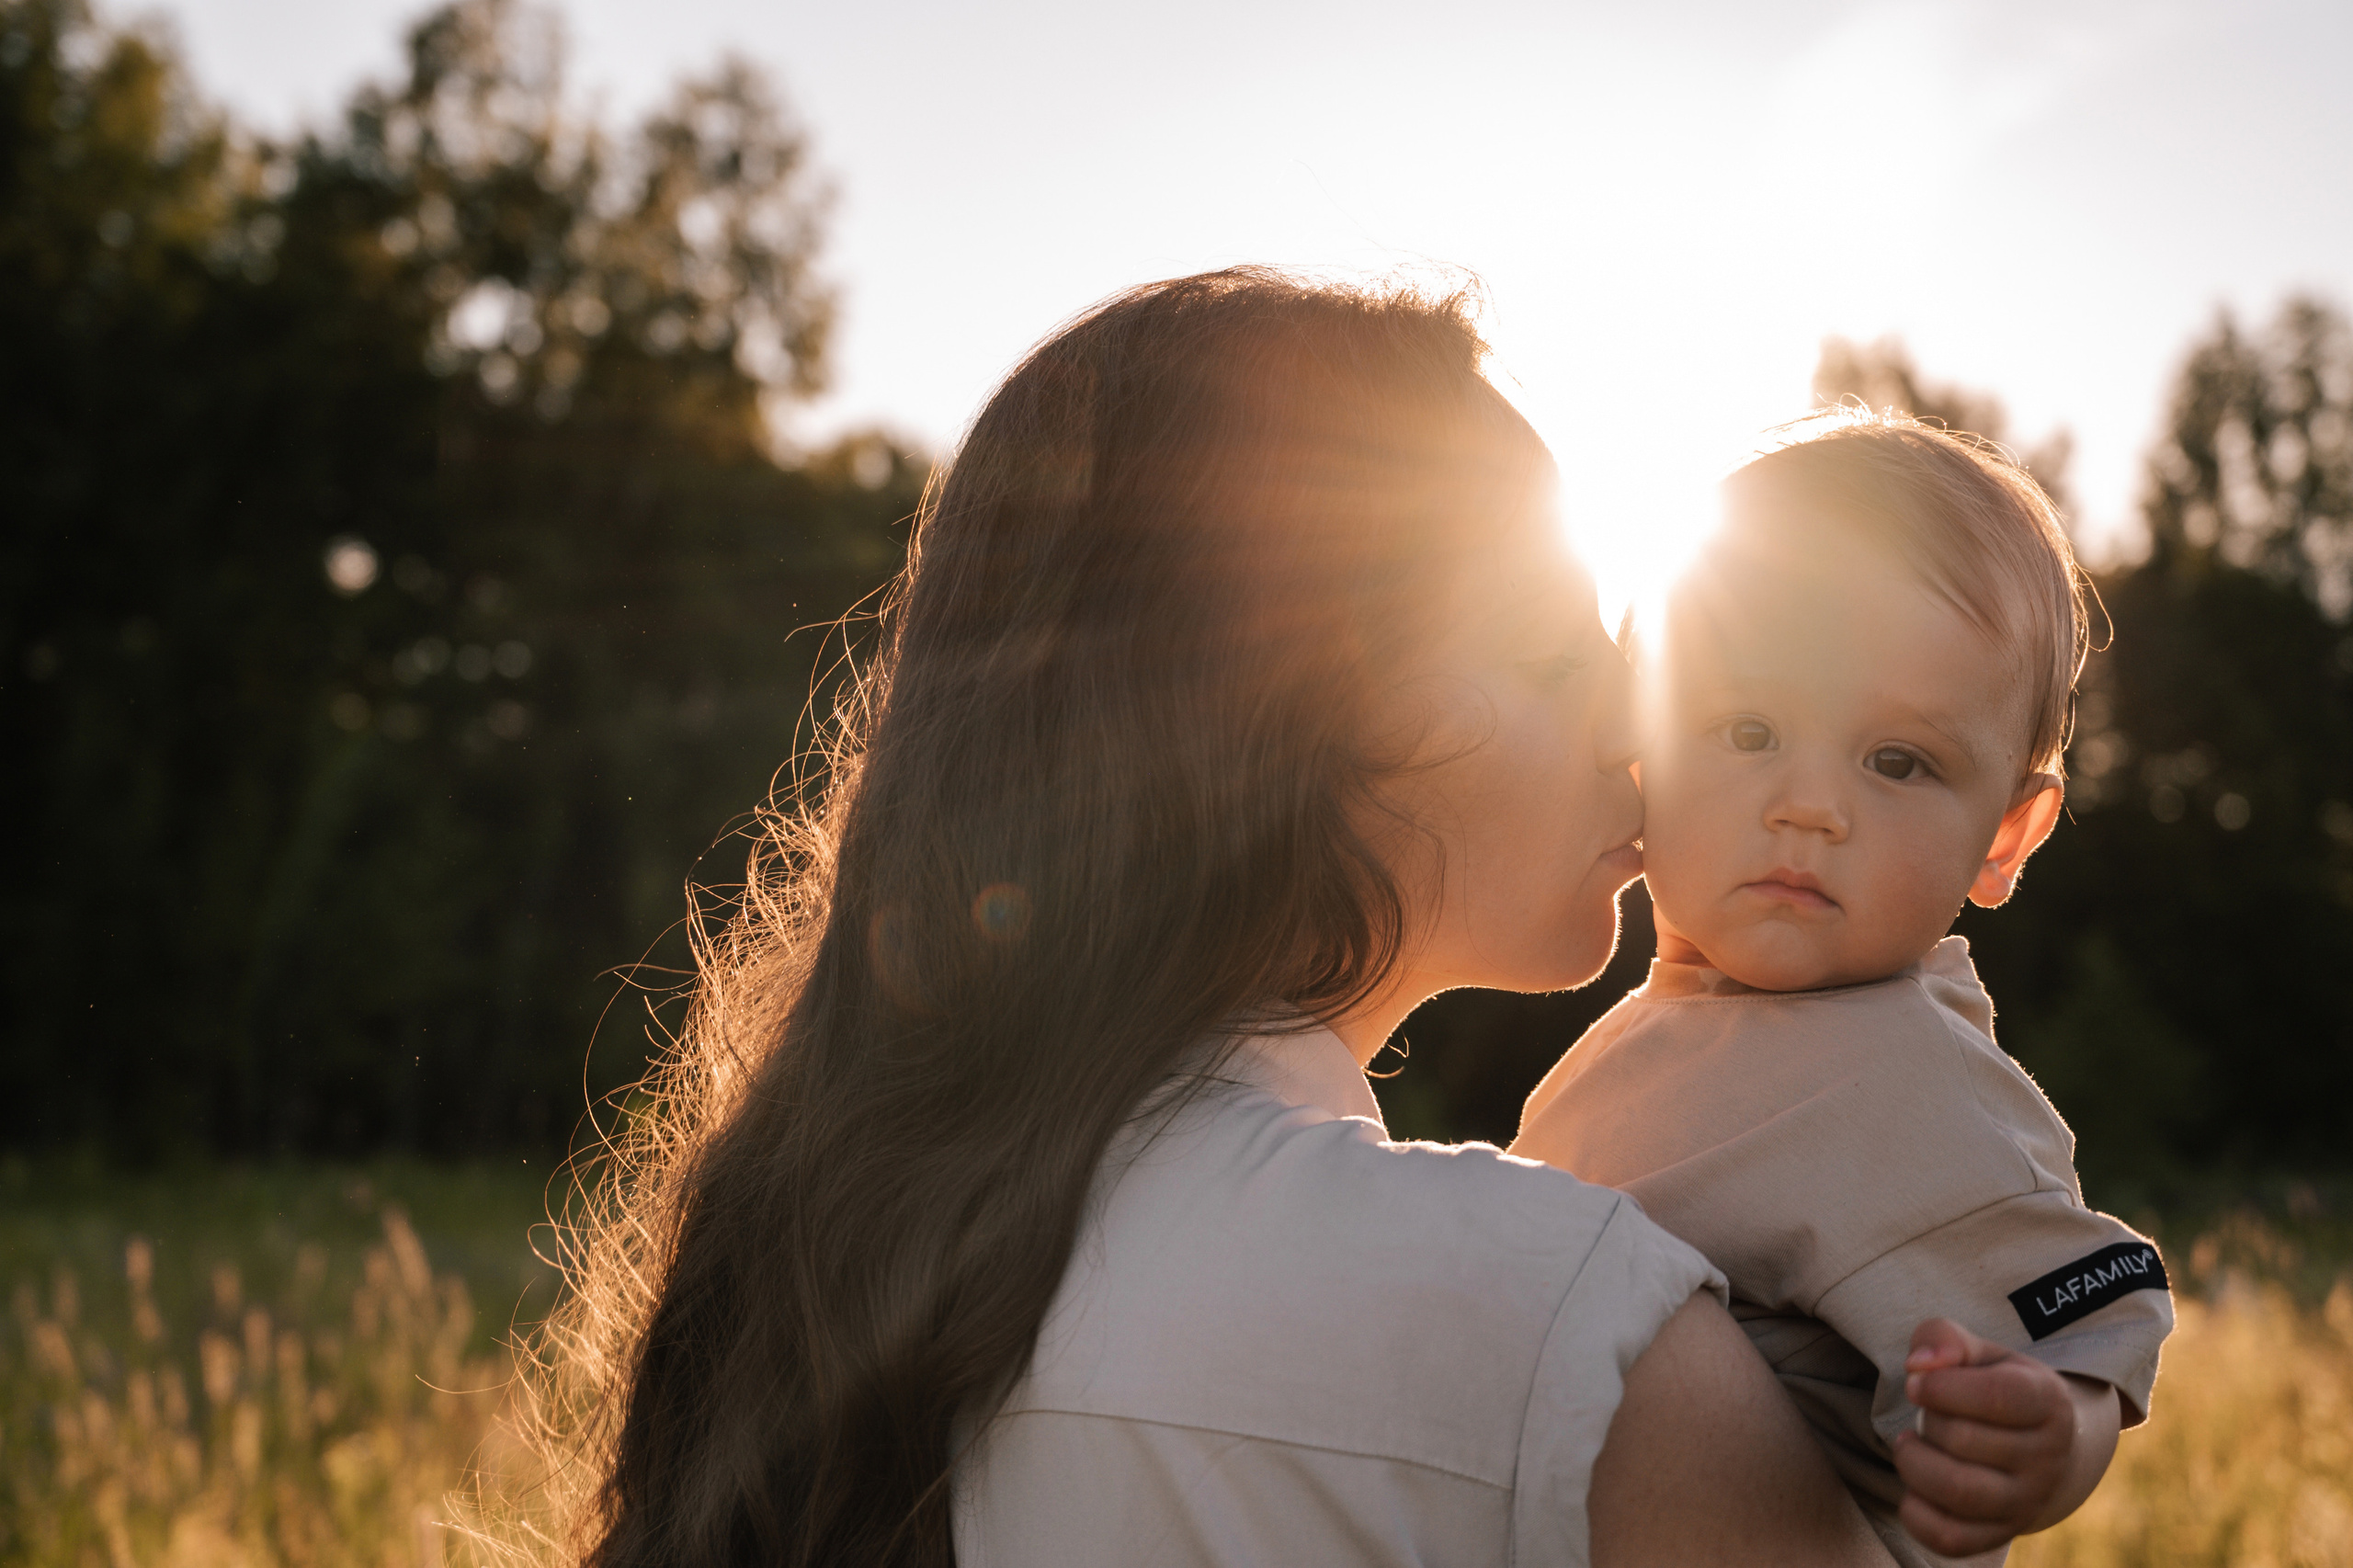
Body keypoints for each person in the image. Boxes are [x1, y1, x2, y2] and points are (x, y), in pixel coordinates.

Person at [549, 270, 2049, 1568]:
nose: (1638, 729)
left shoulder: (863, 1260)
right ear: (1311, 699)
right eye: (1550, 648)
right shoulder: (1549, 1309)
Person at [1512, 413, 2177, 1566]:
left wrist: (2045, 1431)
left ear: (2004, 835)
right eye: (1749, 728)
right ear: (1641, 751)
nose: (1809, 805)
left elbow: (2088, 1323)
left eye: (1897, 760)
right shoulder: (1668, 1032)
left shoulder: (1914, 1078)